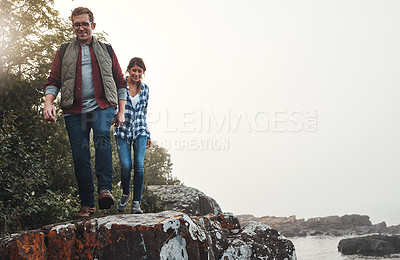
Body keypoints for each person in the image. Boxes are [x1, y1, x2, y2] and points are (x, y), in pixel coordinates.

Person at [43, 7, 126, 219]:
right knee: (80, 157)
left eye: (85, 24)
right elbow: (53, 81)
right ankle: (87, 205)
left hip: (102, 106)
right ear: (73, 26)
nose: (81, 28)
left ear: (93, 26)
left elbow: (120, 81)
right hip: (73, 109)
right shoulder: (64, 51)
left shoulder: (106, 50)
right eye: (77, 24)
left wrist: (121, 112)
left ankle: (105, 190)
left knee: (101, 136)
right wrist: (48, 104)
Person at [114, 57, 151, 214]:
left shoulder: (146, 89)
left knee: (139, 166)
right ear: (128, 70)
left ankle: (136, 203)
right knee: (126, 165)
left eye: (139, 71)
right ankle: (125, 193)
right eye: (134, 70)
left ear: (143, 73)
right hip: (122, 129)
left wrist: (147, 134)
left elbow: (144, 112)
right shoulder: (120, 85)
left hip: (140, 130)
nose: (136, 74)